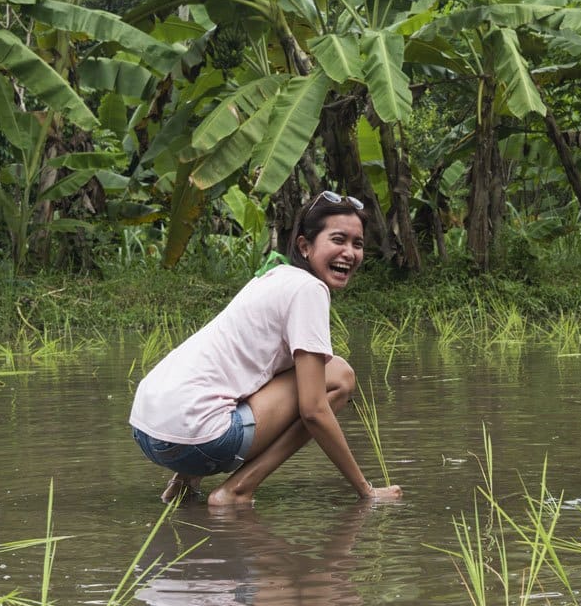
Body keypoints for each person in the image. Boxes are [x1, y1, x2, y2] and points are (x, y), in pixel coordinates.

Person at [130, 190, 403, 507]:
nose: (349, 253)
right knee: (339, 376)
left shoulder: (274, 275)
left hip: (147, 430)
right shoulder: (309, 289)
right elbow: (314, 411)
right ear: (304, 245)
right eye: (338, 240)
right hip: (200, 442)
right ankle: (237, 490)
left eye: (357, 244)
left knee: (268, 375)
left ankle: (182, 486)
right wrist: (366, 492)